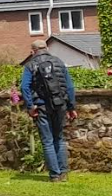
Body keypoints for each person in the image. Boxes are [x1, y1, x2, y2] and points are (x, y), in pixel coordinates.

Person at [20, 39, 78, 182]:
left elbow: (24, 87)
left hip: (41, 106)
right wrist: (71, 107)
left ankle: (54, 175)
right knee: (59, 138)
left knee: (47, 141)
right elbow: (69, 87)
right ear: (46, 48)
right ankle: (63, 173)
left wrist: (30, 107)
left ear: (32, 51)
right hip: (60, 105)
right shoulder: (58, 62)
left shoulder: (30, 65)